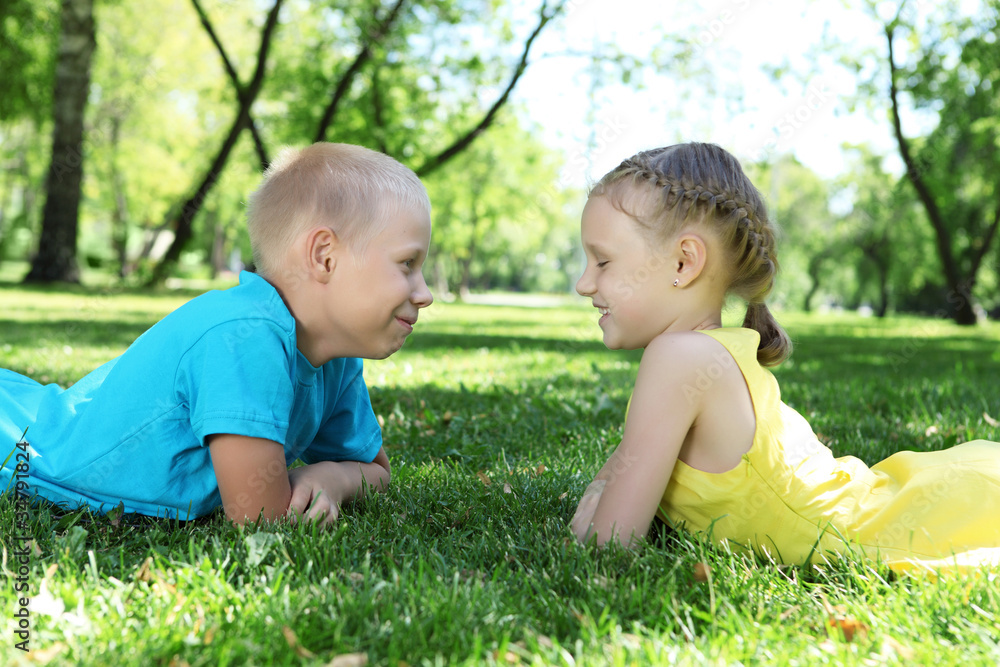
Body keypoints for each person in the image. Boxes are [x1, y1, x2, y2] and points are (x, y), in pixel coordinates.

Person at [569, 142, 1000, 573]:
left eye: (603, 261)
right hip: (913, 497)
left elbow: (606, 542)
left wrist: (595, 506)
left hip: (900, 528)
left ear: (684, 263)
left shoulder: (678, 359)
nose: (584, 284)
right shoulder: (706, 356)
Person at [1, 142, 434, 526]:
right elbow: (260, 517)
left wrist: (333, 477)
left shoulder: (337, 356)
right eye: (407, 264)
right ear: (324, 257)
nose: (425, 293)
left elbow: (375, 471)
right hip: (26, 447)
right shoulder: (246, 337)